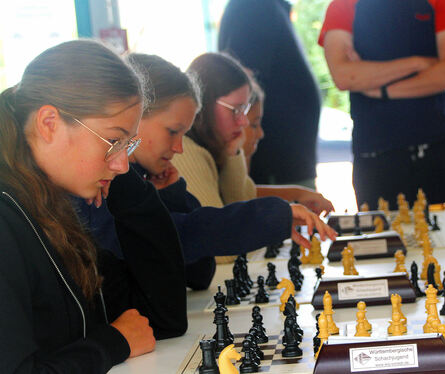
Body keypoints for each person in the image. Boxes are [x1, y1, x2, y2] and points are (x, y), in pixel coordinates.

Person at [0, 40, 186, 373]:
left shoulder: (51, 211)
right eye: (113, 140)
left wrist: (120, 179)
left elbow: (160, 319)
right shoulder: (8, 219)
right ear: (49, 124)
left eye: (128, 145)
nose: (123, 164)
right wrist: (112, 343)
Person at [76, 53, 336, 289]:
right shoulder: (102, 191)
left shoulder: (145, 180)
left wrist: (173, 197)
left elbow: (200, 272)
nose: (179, 147)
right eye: (172, 132)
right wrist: (273, 217)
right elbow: (188, 235)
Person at [319, 0, 445, 210]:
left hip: (440, 148)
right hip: (375, 155)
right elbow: (345, 77)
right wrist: (418, 62)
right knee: (382, 239)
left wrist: (382, 90)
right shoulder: (343, 5)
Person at [172, 52, 334, 218]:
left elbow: (242, 201)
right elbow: (219, 229)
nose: (243, 121)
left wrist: (233, 153)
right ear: (204, 106)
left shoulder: (214, 146)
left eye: (244, 110)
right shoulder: (186, 151)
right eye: (236, 110)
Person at [218, 0, 321, 189]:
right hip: (274, 158)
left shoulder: (267, 7)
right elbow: (240, 82)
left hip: (285, 160)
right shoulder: (254, 6)